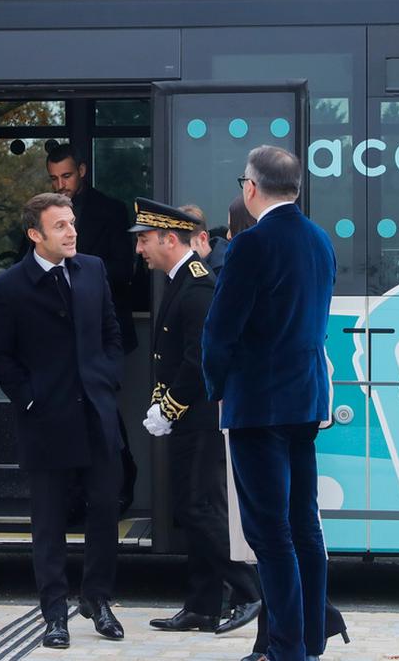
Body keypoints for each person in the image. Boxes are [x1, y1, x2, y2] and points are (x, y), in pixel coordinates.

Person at [201, 146, 336, 661]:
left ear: (250, 188)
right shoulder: (320, 240)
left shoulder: (252, 245)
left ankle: (286, 649)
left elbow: (220, 331)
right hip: (305, 399)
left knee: (270, 531)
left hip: (258, 404)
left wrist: (217, 389)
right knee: (305, 523)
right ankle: (309, 638)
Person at [0, 192, 126, 650]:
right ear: (34, 234)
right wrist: (29, 400)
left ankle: (98, 600)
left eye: (72, 223)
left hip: (97, 416)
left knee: (105, 511)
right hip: (45, 421)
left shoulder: (93, 270)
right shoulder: (7, 287)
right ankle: (54, 615)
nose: (72, 232)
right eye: (60, 226)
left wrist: (106, 380)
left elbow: (111, 333)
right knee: (49, 523)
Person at [130, 198, 262, 636]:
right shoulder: (179, 280)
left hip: (200, 417)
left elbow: (197, 359)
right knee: (192, 509)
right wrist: (162, 402)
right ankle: (202, 606)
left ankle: (249, 591)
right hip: (188, 415)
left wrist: (167, 408)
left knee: (200, 509)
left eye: (145, 240)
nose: (139, 249)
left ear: (170, 239)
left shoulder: (198, 285)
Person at [45, 144, 136, 352]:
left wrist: (72, 274)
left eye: (66, 176)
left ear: (82, 171)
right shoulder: (43, 213)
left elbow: (123, 270)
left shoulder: (112, 210)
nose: (60, 184)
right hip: (56, 328)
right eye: (53, 178)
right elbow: (27, 262)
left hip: (102, 326)